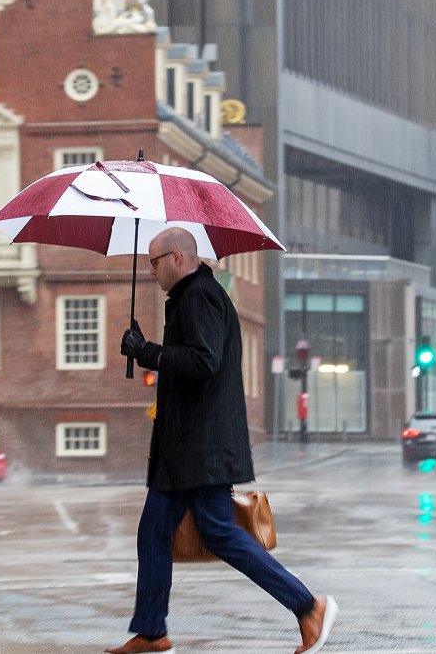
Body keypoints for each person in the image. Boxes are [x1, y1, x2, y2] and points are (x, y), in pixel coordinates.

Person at [111, 227, 337, 654]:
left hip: (202, 449)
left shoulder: (199, 297)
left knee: (220, 532)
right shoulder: (190, 297)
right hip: (184, 450)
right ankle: (151, 631)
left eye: (155, 263)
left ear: (177, 258)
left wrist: (148, 352)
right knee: (153, 531)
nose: (152, 271)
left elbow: (203, 360)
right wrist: (148, 351)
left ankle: (308, 606)